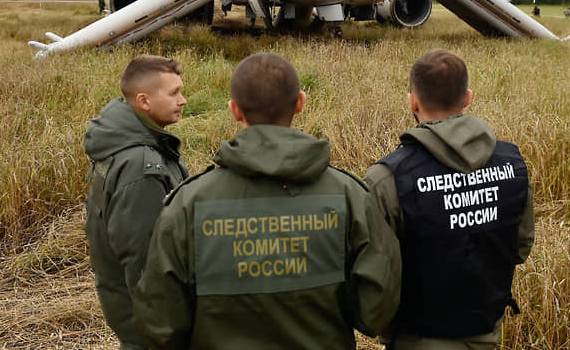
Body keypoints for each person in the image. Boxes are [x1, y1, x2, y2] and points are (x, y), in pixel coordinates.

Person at [133, 52, 402, 350]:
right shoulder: (350, 196)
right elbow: (375, 312)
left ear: (235, 110)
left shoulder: (187, 205)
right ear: (300, 103)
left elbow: (161, 325)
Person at [364, 49, 534, 350]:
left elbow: (375, 276)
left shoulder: (388, 177)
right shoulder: (512, 163)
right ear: (467, 98)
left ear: (412, 101)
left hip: (414, 336)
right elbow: (520, 249)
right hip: (487, 331)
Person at [85, 55, 189, 350]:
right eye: (173, 93)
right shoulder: (141, 167)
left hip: (130, 307)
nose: (183, 100)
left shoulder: (122, 142)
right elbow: (144, 260)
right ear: (144, 101)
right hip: (147, 320)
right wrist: (167, 325)